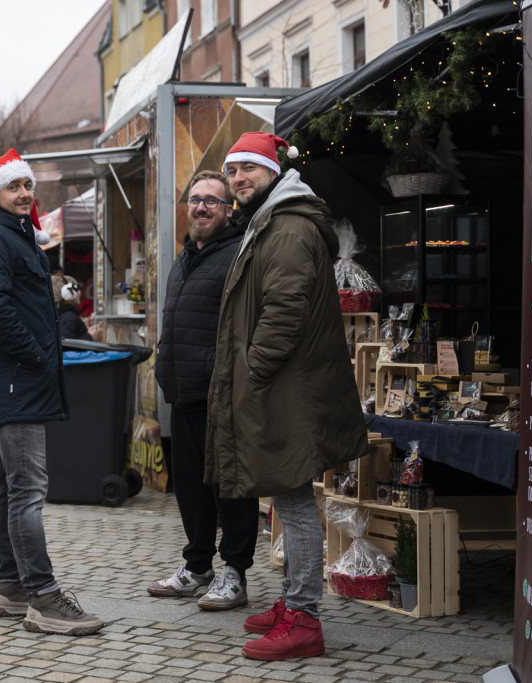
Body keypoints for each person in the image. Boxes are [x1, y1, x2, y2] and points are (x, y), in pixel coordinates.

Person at [206, 132, 368, 661]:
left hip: (285, 387)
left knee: (294, 501)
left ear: (273, 172)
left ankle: (304, 618)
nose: (238, 179)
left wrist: (253, 370)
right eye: (232, 171)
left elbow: (284, 308)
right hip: (282, 385)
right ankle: (292, 599)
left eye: (248, 169)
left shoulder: (290, 226)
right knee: (285, 496)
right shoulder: (271, 220)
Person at [0, 148, 103, 636]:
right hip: (15, 378)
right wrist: (36, 355)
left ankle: (10, 587)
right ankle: (42, 596)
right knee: (28, 489)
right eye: (13, 186)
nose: (24, 194)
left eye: (27, 186)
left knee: (8, 486)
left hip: (16, 377)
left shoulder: (10, 233)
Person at [148, 170, 258, 610]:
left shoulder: (238, 254)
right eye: (194, 199)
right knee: (191, 490)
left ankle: (235, 573)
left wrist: (221, 372)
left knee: (229, 489)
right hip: (183, 392)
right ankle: (197, 567)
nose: (200, 207)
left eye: (212, 200)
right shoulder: (184, 258)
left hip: (221, 395)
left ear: (229, 210)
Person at [51, 274, 91, 341]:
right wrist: (90, 336)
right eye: (76, 289)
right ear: (66, 292)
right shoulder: (68, 318)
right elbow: (68, 344)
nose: (79, 292)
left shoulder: (64, 315)